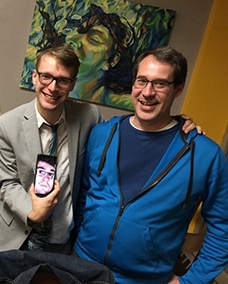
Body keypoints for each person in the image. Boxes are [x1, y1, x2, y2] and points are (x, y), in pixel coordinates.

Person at [0, 43, 199, 256]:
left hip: (62, 241)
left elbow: (122, 135)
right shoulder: (7, 124)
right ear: (34, 76)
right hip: (15, 236)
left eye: (63, 80)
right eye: (46, 77)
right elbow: (8, 183)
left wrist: (174, 124)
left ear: (72, 84)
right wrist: (33, 213)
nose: (52, 87)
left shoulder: (88, 116)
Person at [73, 46, 228, 284]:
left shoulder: (204, 155)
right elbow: (84, 194)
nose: (147, 92)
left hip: (144, 280)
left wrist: (192, 281)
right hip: (81, 268)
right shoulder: (102, 134)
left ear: (178, 88)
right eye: (142, 81)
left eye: (160, 84)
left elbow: (222, 226)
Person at [65, 4, 134, 109]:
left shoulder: (126, 104)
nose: (72, 39)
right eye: (77, 31)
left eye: (94, 39)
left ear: (112, 60)